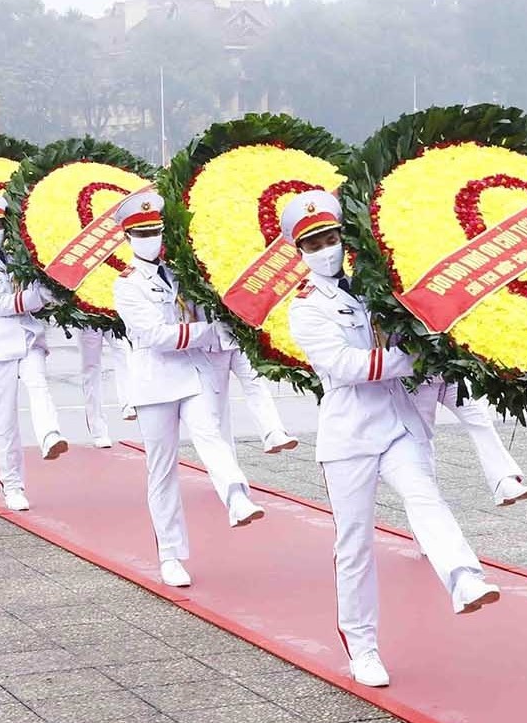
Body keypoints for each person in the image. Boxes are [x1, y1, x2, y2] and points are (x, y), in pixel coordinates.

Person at [284, 191, 501, 690]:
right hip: (348, 433)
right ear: (299, 250)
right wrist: (415, 360)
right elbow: (345, 367)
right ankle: (362, 647)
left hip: (397, 420)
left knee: (426, 497)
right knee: (354, 543)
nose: (326, 249)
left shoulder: (372, 286)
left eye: (331, 237)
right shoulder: (307, 307)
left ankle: (463, 576)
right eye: (313, 242)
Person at [111, 189, 267, 587]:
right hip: (154, 383)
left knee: (210, 435)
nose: (151, 239)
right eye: (141, 233)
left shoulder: (181, 274)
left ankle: (236, 497)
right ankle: (170, 554)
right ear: (127, 238)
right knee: (162, 470)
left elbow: (204, 313)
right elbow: (155, 335)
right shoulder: (125, 284)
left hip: (192, 374)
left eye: (155, 231)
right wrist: (206, 332)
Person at [0, 190, 67, 511]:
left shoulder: (20, 256)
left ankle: (50, 434)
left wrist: (52, 290)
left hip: (28, 335)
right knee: (5, 417)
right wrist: (40, 296)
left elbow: (37, 287)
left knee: (38, 384)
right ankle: (12, 484)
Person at [410, 381, 527, 507]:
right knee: (421, 436)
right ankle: (426, 497)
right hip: (416, 380)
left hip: (451, 375)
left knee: (479, 419)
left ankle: (504, 482)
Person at [203, 327, 300, 456]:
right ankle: (226, 460)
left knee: (255, 383)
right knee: (218, 405)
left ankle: (273, 433)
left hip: (239, 338)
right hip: (210, 343)